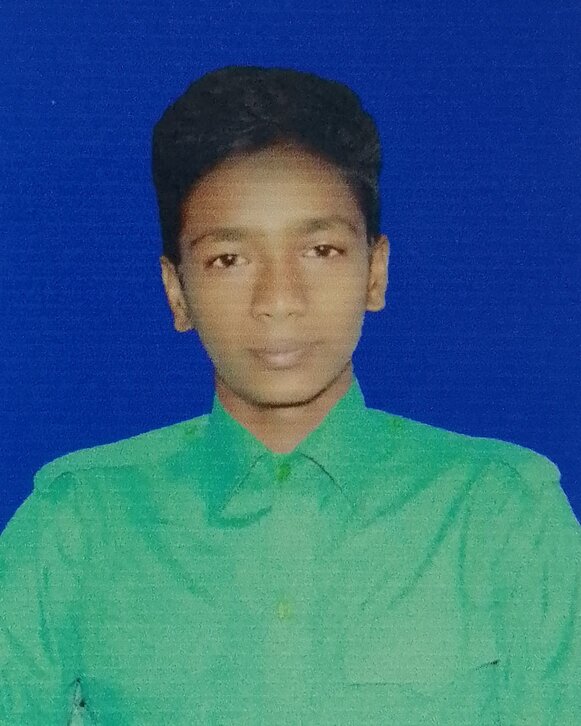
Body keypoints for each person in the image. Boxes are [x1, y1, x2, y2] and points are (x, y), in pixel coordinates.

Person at [1, 65, 579, 725]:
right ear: (177, 292)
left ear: (375, 272)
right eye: (229, 259)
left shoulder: (503, 516)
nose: (279, 300)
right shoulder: (75, 525)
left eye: (321, 250)